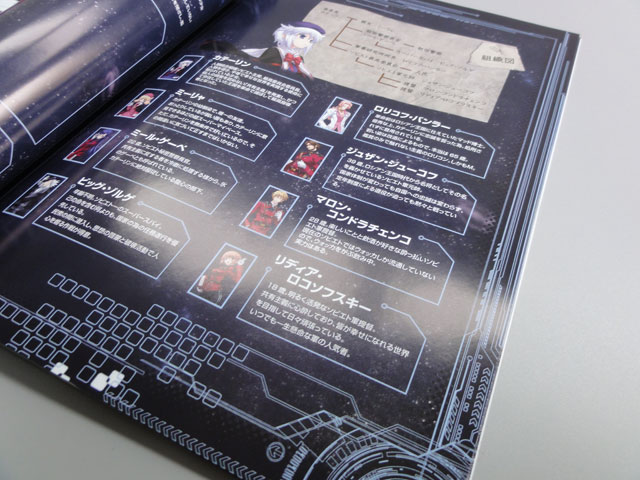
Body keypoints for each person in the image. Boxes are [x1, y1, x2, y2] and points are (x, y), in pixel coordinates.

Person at [242, 22, 325, 79]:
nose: (306, 42)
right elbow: (258, 70)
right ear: (285, 35)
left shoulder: (299, 58)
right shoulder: (274, 52)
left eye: (310, 40)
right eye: (302, 37)